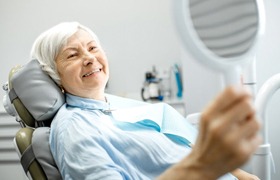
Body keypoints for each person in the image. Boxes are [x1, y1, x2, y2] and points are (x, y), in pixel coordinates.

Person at [30, 22, 261, 180]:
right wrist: (203, 164)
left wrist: (238, 174)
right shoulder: (75, 129)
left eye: (92, 48)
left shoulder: (110, 106)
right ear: (54, 74)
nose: (90, 58)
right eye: (73, 55)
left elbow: (181, 146)